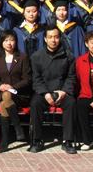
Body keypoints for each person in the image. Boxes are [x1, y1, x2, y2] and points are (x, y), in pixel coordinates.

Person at [28, 26, 77, 154]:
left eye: (56, 37)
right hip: (44, 92)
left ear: (60, 38)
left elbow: (71, 77)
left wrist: (64, 91)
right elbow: (36, 78)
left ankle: (68, 141)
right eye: (50, 37)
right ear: (45, 39)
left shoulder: (68, 56)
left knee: (71, 103)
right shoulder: (36, 56)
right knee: (35, 103)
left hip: (62, 91)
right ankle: (37, 140)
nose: (53, 40)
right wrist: (45, 93)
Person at [0, 30, 31, 152]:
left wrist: (13, 87)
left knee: (4, 103)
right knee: (6, 96)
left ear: (16, 41)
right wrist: (0, 85)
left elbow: (27, 79)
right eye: (6, 40)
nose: (9, 43)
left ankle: (5, 141)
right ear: (2, 43)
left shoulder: (23, 57)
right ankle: (18, 129)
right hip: (2, 92)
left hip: (20, 94)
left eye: (12, 40)